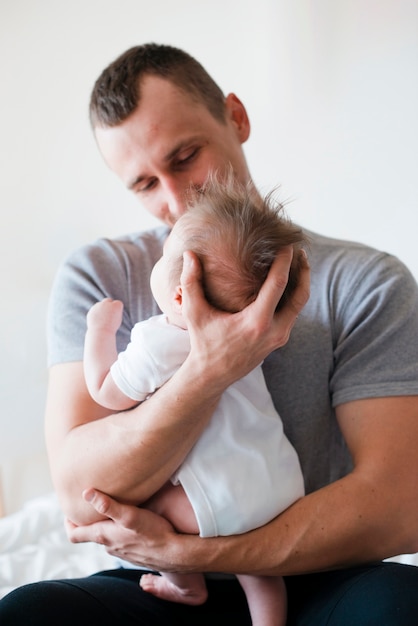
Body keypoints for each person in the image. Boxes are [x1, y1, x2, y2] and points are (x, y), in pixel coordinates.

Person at [1, 42, 418, 626]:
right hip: (152, 584)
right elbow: (78, 491)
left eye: (186, 156)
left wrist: (197, 554)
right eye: (144, 184)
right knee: (28, 614)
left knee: (404, 603)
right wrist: (210, 369)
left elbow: (398, 505)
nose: (175, 201)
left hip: (320, 575)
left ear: (237, 117)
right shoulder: (98, 276)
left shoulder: (365, 283)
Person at [83, 174, 306, 626]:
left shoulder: (158, 341)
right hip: (278, 489)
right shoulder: (252, 338)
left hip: (211, 502)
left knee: (149, 508)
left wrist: (99, 332)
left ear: (180, 295)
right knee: (260, 574)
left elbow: (106, 392)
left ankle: (186, 583)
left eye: (168, 256)